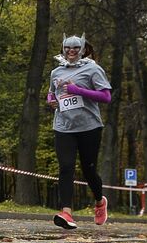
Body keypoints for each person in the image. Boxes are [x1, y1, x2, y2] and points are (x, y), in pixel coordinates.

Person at [46, 35, 112, 230]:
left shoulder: (92, 69)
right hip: (63, 126)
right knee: (66, 167)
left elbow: (106, 97)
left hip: (89, 126)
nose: (71, 51)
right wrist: (51, 101)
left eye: (75, 47)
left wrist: (78, 90)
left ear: (82, 49)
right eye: (67, 47)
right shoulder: (56, 71)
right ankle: (66, 212)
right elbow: (52, 92)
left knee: (88, 169)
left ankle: (100, 202)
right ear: (63, 49)